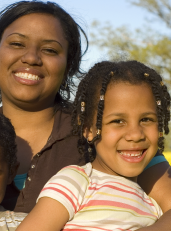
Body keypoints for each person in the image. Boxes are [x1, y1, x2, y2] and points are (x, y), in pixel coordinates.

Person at [0, 1, 171, 230]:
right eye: (17, 44)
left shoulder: (106, 132)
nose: (31, 58)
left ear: (69, 65)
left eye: (50, 50)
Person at [17, 61, 170, 230]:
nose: (135, 134)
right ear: (88, 130)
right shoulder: (76, 181)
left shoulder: (153, 206)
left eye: (146, 119)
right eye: (118, 121)